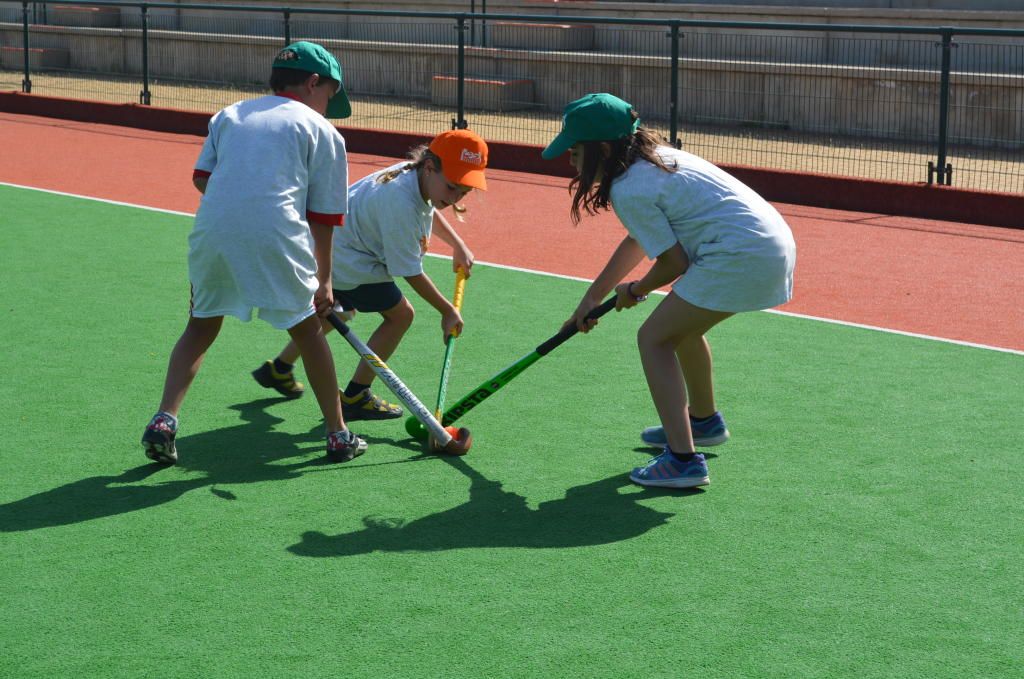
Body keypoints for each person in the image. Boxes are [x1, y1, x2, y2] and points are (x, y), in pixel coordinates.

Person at [544, 93, 796, 489]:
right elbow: (639, 241)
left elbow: (673, 263)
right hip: (768, 245)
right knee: (682, 331)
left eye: (576, 153)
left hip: (740, 253)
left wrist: (637, 289)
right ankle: (703, 422)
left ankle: (683, 460)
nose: (571, 163)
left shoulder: (630, 186)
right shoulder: (653, 161)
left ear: (604, 150)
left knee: (654, 338)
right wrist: (593, 297)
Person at [141, 41, 368, 466]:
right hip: (276, 233)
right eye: (330, 95)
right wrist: (325, 281)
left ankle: (164, 419)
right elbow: (324, 217)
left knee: (200, 327)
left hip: (212, 231)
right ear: (314, 82)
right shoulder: (323, 132)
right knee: (309, 331)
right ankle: (338, 434)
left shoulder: (230, 114)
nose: (328, 105)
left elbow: (203, 178)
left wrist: (242, 208)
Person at [251, 129, 487, 421]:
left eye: (463, 192)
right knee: (401, 316)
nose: (454, 198)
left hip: (336, 250)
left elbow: (428, 209)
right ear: (429, 167)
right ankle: (356, 394)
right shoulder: (400, 203)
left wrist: (457, 244)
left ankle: (280, 368)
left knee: (340, 312)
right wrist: (447, 310)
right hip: (350, 262)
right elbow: (409, 271)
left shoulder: (413, 175)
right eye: (452, 188)